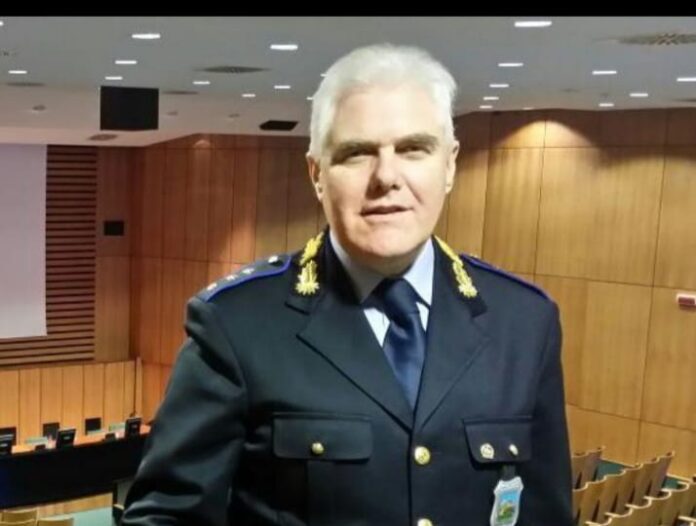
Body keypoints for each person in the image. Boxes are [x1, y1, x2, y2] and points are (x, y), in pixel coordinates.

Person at [122, 43, 572, 526]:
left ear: (449, 165)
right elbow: (165, 518)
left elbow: (546, 515)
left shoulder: (524, 321)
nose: (386, 177)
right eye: (357, 153)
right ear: (317, 174)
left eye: (413, 149)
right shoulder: (237, 324)